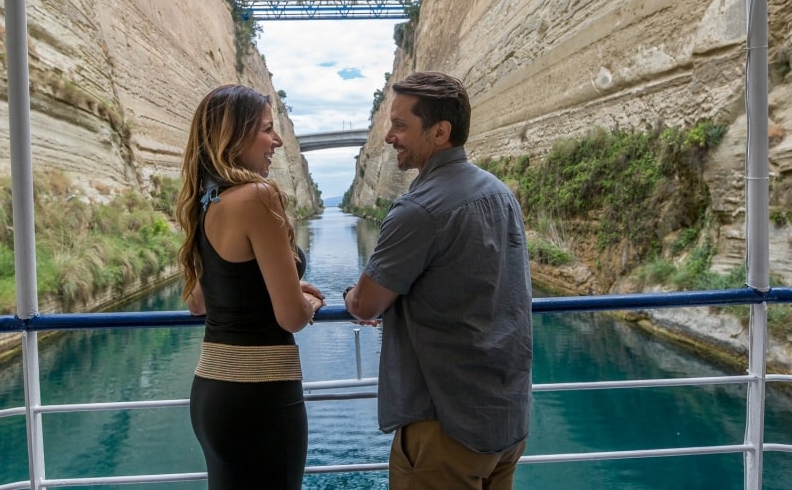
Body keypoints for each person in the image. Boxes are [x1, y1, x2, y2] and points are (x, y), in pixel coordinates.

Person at [344, 71, 532, 490]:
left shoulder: (418, 209)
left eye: (400, 125)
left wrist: (349, 296)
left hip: (445, 429)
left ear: (440, 132)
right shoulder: (501, 194)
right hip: (506, 421)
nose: (389, 136)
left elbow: (366, 304)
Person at [175, 83, 325, 490]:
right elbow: (291, 317)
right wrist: (306, 299)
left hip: (212, 396)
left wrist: (278, 286)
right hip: (262, 395)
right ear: (233, 135)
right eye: (266, 129)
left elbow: (199, 303)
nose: (277, 141)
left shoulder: (206, 202)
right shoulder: (258, 196)